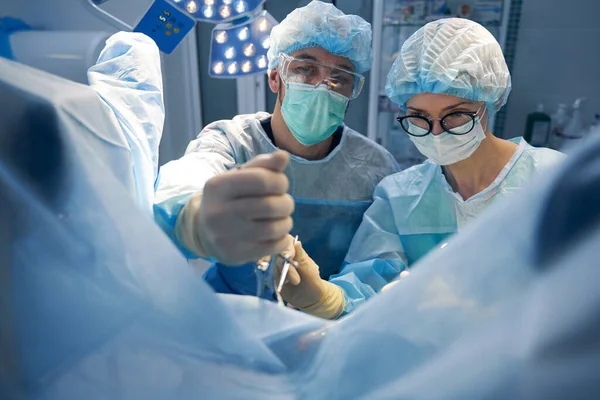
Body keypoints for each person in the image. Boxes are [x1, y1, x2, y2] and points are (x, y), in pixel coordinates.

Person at [275, 18, 565, 319]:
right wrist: (323, 298)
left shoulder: (553, 180)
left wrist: (488, 309)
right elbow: (367, 289)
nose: (436, 132)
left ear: (489, 103)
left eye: (455, 116)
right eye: (419, 116)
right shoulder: (400, 197)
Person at [153, 1, 399, 301]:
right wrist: (192, 216)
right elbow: (188, 176)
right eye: (306, 69)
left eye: (341, 77)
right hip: (235, 313)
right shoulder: (233, 142)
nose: (323, 86)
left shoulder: (376, 168)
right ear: (274, 77)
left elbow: (382, 266)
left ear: (351, 91)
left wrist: (328, 302)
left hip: (331, 325)